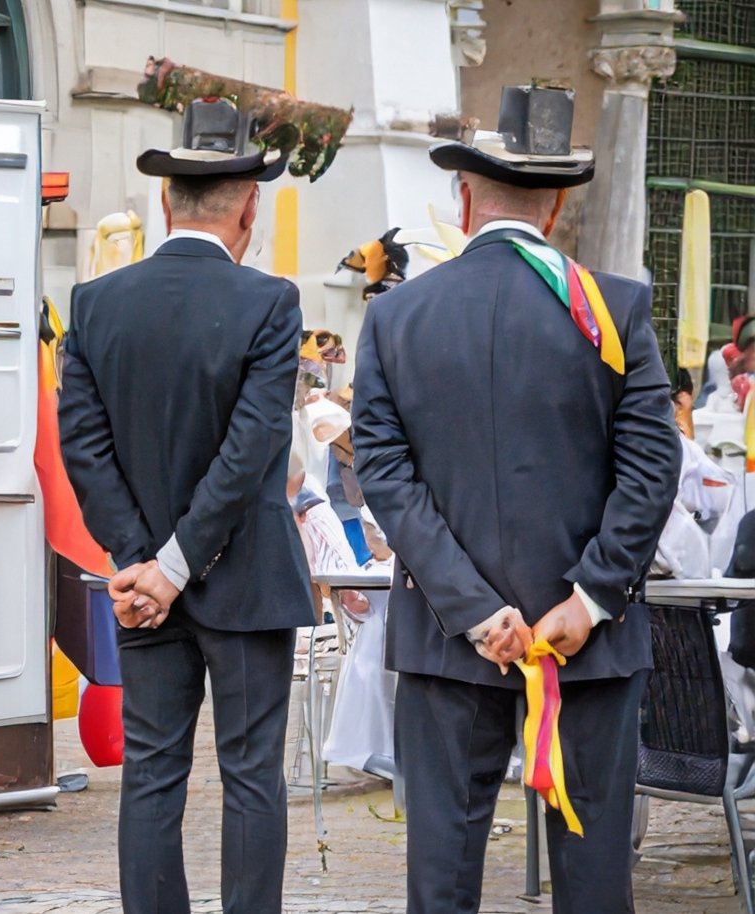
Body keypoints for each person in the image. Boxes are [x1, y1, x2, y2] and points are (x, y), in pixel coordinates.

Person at [351, 85, 679, 914]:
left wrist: (472, 608)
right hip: (589, 646)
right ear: (556, 205)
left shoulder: (396, 317)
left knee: (443, 877)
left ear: (465, 200)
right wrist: (590, 597)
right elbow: (652, 467)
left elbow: (384, 473)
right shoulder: (616, 308)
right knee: (594, 877)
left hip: (447, 643)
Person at [57, 97, 312, 914]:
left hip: (142, 586)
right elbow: (252, 449)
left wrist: (143, 562)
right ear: (249, 207)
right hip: (244, 578)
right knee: (251, 775)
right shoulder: (270, 302)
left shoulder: (95, 303)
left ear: (166, 203)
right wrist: (171, 566)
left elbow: (83, 448)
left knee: (153, 771)